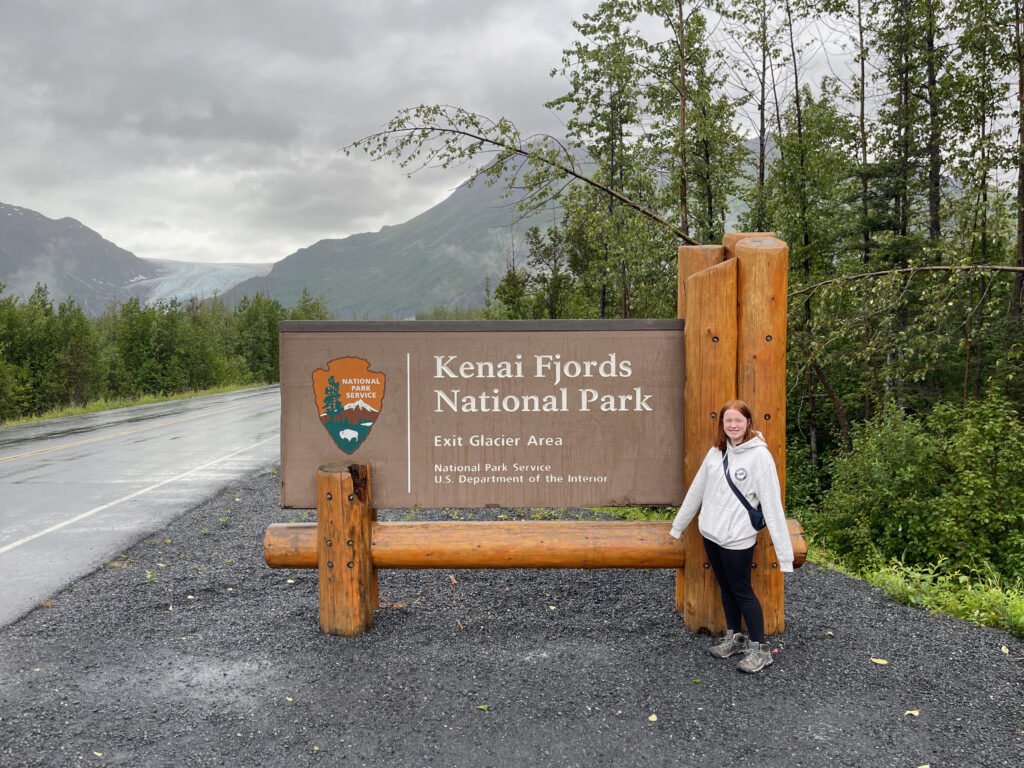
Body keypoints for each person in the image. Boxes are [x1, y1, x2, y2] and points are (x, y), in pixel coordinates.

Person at [669, 399, 794, 673]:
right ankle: (734, 637)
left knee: (742, 590)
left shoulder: (760, 456)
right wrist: (678, 526)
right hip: (711, 534)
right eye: (729, 421)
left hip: (738, 538)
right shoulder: (716, 453)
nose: (733, 425)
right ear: (722, 424)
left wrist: (785, 556)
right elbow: (696, 491)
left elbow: (772, 505)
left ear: (748, 422)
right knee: (725, 587)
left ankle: (761, 649)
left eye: (739, 420)